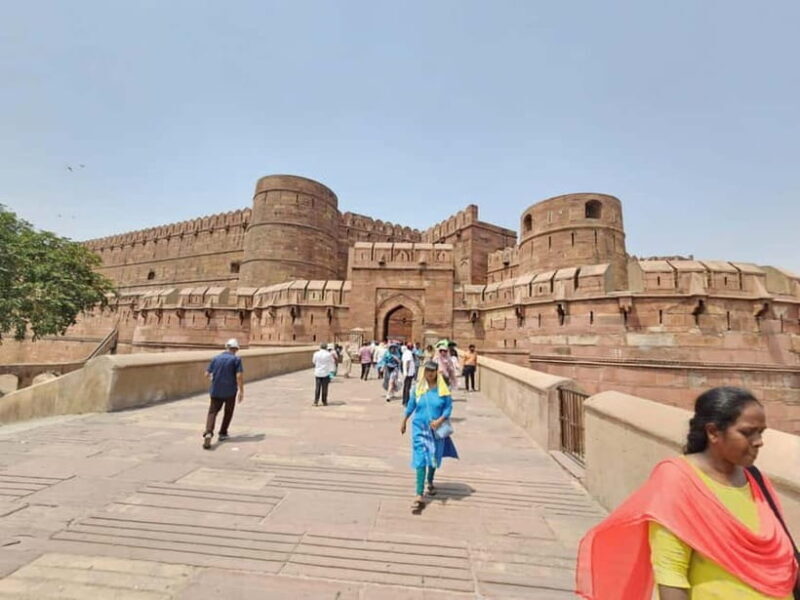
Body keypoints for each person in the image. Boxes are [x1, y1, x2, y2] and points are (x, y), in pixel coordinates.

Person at [576, 387, 799, 600]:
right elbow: (671, 573)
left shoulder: (756, 479)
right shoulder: (677, 480)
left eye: (761, 432)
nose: (759, 442)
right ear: (713, 432)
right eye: (747, 433)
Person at [401, 361, 459, 513]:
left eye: (432, 371)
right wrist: (404, 420)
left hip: (436, 430)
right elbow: (411, 405)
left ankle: (430, 481)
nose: (430, 374)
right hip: (419, 429)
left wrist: (440, 420)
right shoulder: (418, 389)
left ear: (436, 372)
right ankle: (419, 494)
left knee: (433, 458)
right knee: (420, 459)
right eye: (427, 371)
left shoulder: (443, 391)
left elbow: (448, 408)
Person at [203, 338, 244, 449]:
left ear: (227, 347)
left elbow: (207, 373)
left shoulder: (216, 358)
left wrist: (213, 379)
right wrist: (241, 391)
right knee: (228, 412)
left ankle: (208, 432)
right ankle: (223, 433)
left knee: (212, 412)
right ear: (235, 349)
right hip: (230, 391)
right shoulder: (236, 360)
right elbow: (239, 376)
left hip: (216, 389)